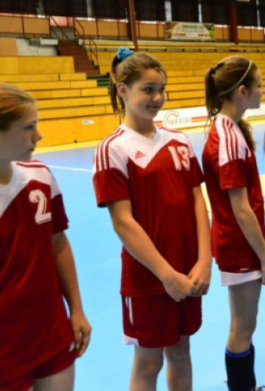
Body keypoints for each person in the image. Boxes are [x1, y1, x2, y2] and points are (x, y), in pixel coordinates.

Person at [93, 48, 211, 391]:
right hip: (148, 278)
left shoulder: (180, 142)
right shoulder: (113, 148)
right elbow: (123, 222)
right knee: (149, 361)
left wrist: (204, 260)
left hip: (189, 270)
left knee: (181, 350)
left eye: (161, 89)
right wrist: (167, 275)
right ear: (122, 90)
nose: (157, 98)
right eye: (148, 89)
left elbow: (197, 201)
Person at [0, 83, 91, 391]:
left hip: (51, 334)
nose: (38, 135)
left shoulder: (40, 176)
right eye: (28, 127)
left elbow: (58, 243)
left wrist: (76, 308)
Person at [202, 56, 265, 391]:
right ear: (242, 91)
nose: (263, 90)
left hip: (242, 241)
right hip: (238, 244)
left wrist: (263, 240)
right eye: (259, 85)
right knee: (243, 326)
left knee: (244, 323)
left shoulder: (229, 129)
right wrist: (264, 258)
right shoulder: (228, 139)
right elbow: (241, 209)